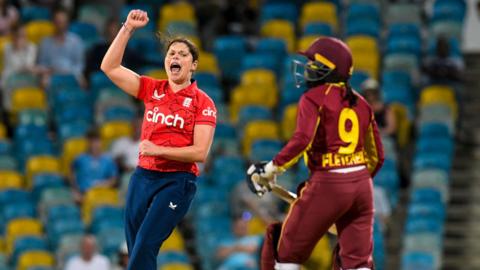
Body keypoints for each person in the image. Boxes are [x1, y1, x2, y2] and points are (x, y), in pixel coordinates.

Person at [250, 37, 384, 270]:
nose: (309, 68)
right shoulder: (363, 104)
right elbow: (377, 157)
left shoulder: (313, 97)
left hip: (328, 182)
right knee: (358, 263)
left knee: (286, 252)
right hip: (362, 187)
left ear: (329, 69)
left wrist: (271, 168)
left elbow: (302, 140)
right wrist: (353, 183)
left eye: (314, 64)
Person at [100, 9, 217, 270]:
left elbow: (200, 153)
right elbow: (109, 67)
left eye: (182, 54)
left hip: (177, 180)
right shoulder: (153, 89)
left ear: (193, 64)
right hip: (143, 177)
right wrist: (127, 29)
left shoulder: (203, 102)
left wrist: (157, 149)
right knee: (136, 251)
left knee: (144, 244)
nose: (175, 57)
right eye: (171, 53)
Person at [37, 7, 85, 87]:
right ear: (53, 22)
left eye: (63, 22)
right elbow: (42, 63)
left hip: (71, 74)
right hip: (51, 74)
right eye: (58, 22)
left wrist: (68, 72)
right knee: (43, 82)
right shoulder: (45, 42)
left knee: (82, 81)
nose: (60, 25)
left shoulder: (76, 41)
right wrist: (47, 71)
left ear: (67, 23)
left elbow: (79, 65)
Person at [70, 129, 118, 201]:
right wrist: (75, 190)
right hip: (84, 195)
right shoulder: (80, 158)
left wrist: (105, 184)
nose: (94, 145)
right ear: (88, 143)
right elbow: (71, 173)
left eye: (97, 141)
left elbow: (114, 179)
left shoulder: (108, 160)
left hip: (102, 194)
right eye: (91, 142)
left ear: (101, 142)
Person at [1, 23, 38, 110]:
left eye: (24, 35)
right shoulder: (7, 48)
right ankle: (8, 112)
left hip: (27, 78)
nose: (23, 38)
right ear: (13, 36)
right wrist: (18, 49)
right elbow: (14, 66)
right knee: (7, 83)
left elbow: (29, 65)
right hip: (10, 77)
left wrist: (24, 49)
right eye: (19, 35)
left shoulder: (32, 47)